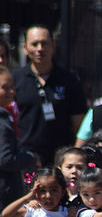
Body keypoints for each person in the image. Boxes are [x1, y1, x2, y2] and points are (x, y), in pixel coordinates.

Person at [13, 25, 87, 165]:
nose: (40, 49)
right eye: (34, 44)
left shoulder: (69, 80)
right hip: (25, 160)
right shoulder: (15, 80)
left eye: (44, 43)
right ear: (25, 48)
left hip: (60, 161)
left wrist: (73, 156)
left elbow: (80, 125)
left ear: (53, 45)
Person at [0, 67, 39, 217]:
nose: (11, 92)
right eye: (5, 87)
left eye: (12, 87)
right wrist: (30, 157)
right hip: (3, 194)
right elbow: (5, 158)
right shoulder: (2, 121)